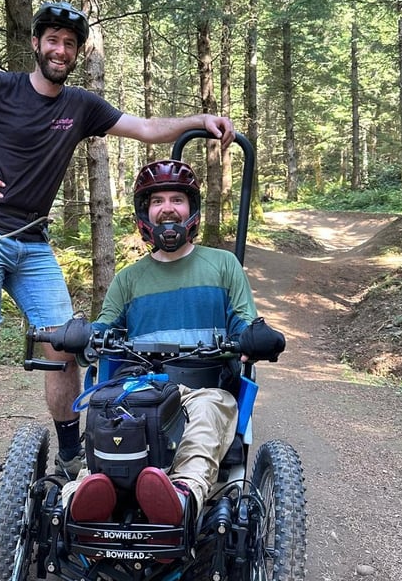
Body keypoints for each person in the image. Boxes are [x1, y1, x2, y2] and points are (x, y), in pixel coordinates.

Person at [0, 1, 235, 510]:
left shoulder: (80, 106)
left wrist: (201, 119)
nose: (61, 50)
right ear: (36, 44)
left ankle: (73, 456)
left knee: (64, 342)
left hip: (33, 240)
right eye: (53, 40)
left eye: (70, 43)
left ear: (77, 53)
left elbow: (145, 128)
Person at [66, 160, 285, 526]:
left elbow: (244, 322)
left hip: (205, 386)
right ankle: (83, 497)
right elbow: (103, 331)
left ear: (192, 210)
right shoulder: (128, 279)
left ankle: (180, 498)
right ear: (145, 213)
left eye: (177, 199)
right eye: (157, 201)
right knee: (108, 422)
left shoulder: (222, 265)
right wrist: (82, 335)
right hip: (138, 390)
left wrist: (255, 337)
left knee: (203, 417)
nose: (167, 208)